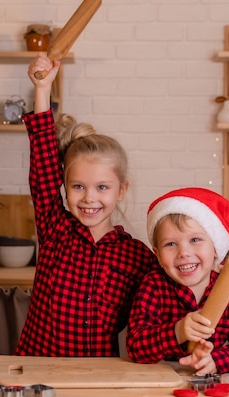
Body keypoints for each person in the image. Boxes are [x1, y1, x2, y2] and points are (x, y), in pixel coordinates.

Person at [14, 53, 157, 357]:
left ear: (121, 190)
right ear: (64, 188)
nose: (90, 198)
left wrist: (219, 274)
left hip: (96, 375)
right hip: (38, 365)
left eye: (102, 187)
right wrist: (42, 89)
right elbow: (42, 162)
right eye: (78, 186)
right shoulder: (56, 228)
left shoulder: (137, 257)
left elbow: (174, 288)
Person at [126, 187, 229, 374]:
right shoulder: (154, 285)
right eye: (171, 244)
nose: (184, 253)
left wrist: (217, 360)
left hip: (210, 378)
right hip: (160, 378)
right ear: (157, 255)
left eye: (195, 240)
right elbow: (135, 346)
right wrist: (177, 331)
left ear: (215, 248)